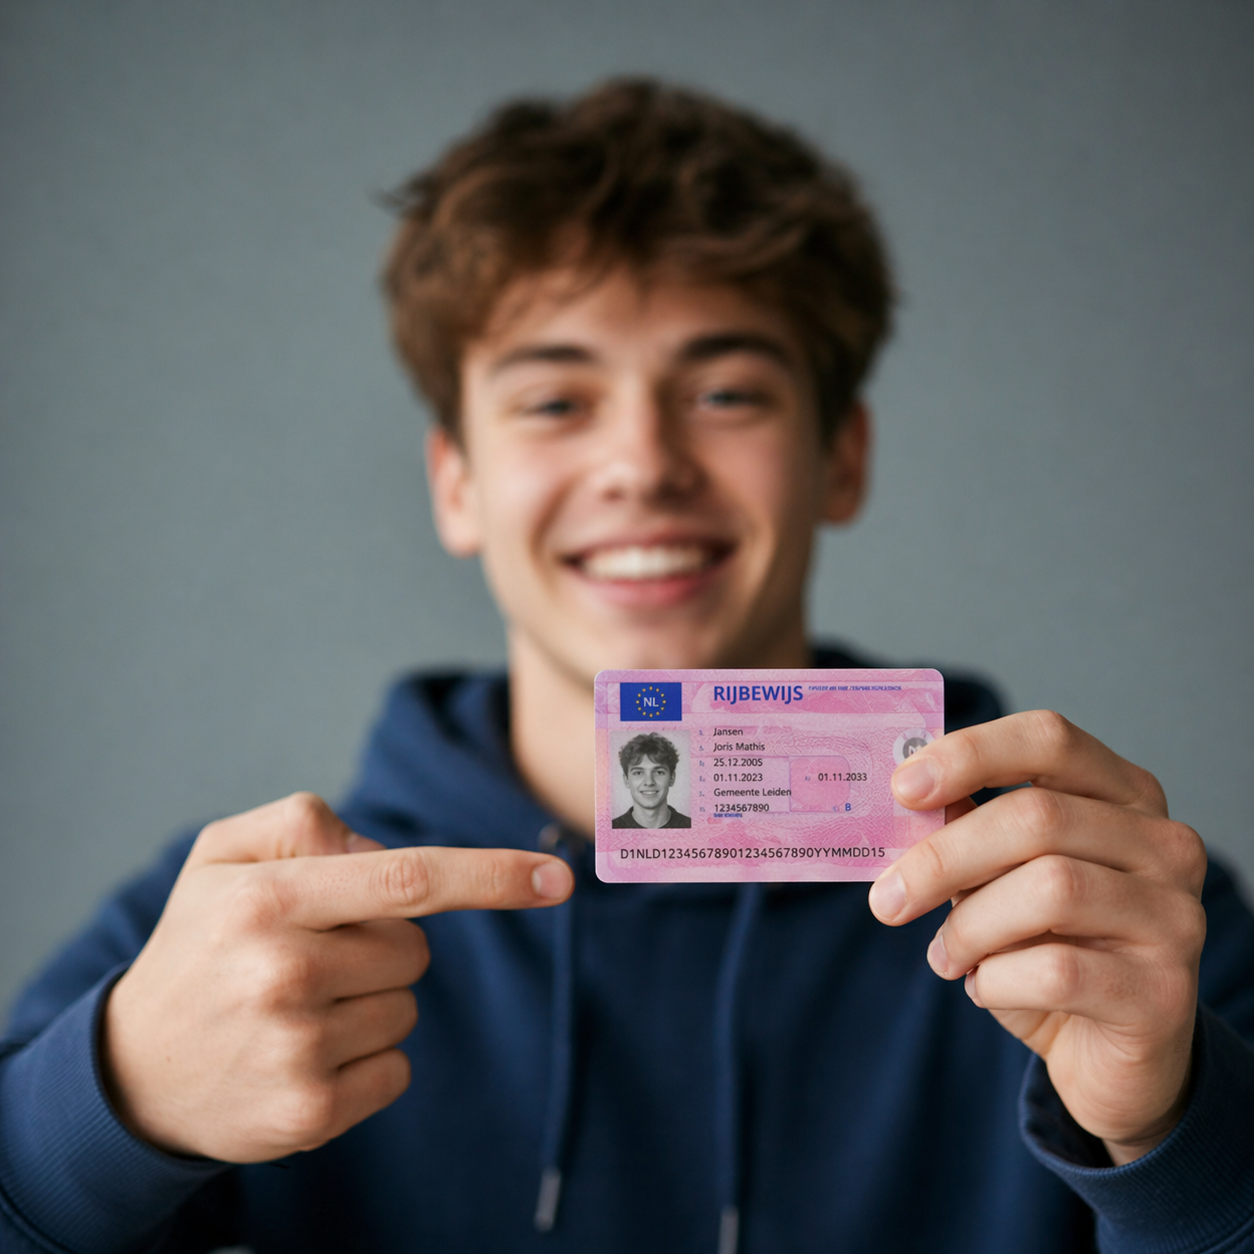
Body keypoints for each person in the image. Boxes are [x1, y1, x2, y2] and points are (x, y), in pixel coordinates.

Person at [1, 78, 1251, 1254]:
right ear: (456, 482)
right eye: (555, 402)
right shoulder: (229, 938)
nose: (643, 463)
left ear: (844, 457)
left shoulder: (1103, 913)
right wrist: (103, 1120)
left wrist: (1181, 1143)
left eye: (726, 393)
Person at [612, 732, 691, 828]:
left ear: (672, 778)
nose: (649, 782)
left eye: (658, 772)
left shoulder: (690, 826)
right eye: (638, 773)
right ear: (626, 780)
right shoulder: (611, 829)